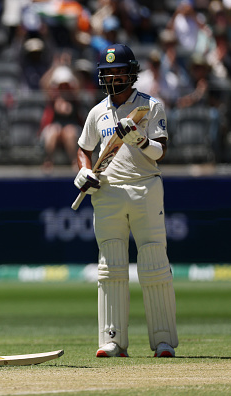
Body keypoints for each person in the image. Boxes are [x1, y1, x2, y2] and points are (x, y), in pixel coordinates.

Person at [73, 44, 178, 358]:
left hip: (145, 188)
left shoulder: (148, 107)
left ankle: (162, 342)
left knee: (154, 263)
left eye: (119, 71)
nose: (113, 77)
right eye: (108, 73)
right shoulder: (97, 112)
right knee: (110, 266)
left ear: (131, 74)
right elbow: (83, 148)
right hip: (107, 193)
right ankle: (112, 341)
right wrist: (84, 171)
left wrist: (141, 140)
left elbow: (161, 152)